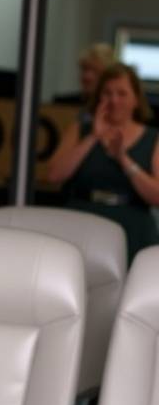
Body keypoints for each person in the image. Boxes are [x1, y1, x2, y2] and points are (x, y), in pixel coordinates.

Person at [47, 62, 159, 262]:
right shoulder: (80, 130)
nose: (114, 100)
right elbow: (54, 175)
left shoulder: (153, 138)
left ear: (136, 99)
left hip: (132, 228)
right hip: (81, 222)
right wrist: (93, 137)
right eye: (107, 93)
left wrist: (123, 159)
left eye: (122, 93)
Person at [54, 41, 115, 122]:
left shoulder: (114, 108)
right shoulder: (61, 104)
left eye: (95, 71)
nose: (87, 76)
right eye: (84, 69)